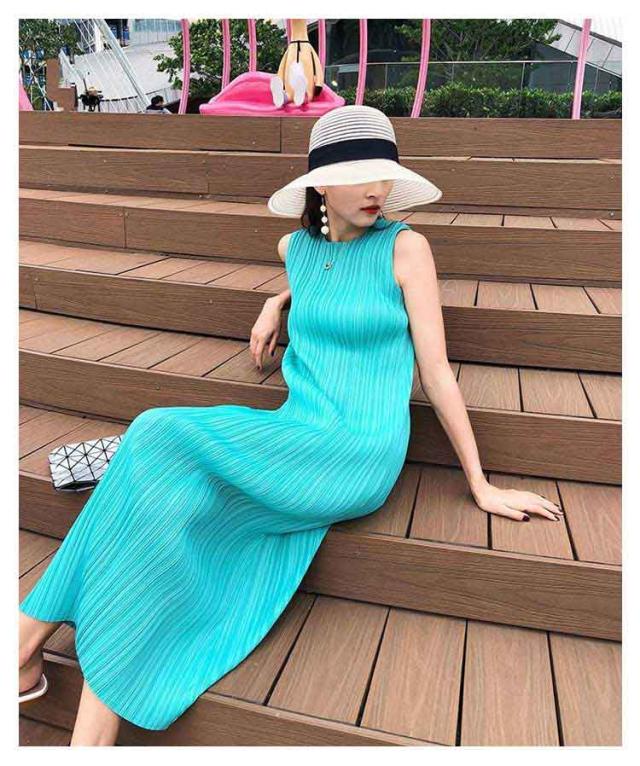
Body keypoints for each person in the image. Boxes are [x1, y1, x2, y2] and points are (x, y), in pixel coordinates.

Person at [18, 105, 564, 745]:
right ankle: (69, 712)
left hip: (358, 450)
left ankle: (24, 646)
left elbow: (437, 371)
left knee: (156, 437)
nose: (376, 189)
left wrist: (480, 483)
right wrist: (277, 300)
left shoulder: (406, 248)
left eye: (384, 174)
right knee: (160, 494)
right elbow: (320, 278)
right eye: (358, 176)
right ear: (320, 185)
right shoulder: (294, 249)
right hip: (298, 427)